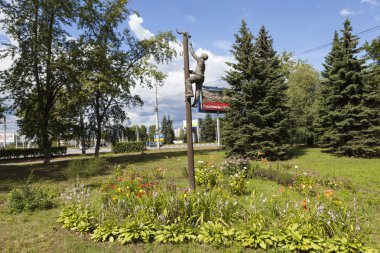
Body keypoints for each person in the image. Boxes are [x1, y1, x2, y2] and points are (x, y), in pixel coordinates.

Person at [185, 43, 208, 107]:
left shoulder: (199, 60)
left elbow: (193, 54)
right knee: (197, 90)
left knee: (187, 81)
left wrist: (190, 47)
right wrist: (191, 71)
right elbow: (198, 71)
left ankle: (190, 93)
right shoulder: (204, 64)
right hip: (202, 78)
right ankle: (195, 103)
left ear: (202, 56)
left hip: (198, 76)